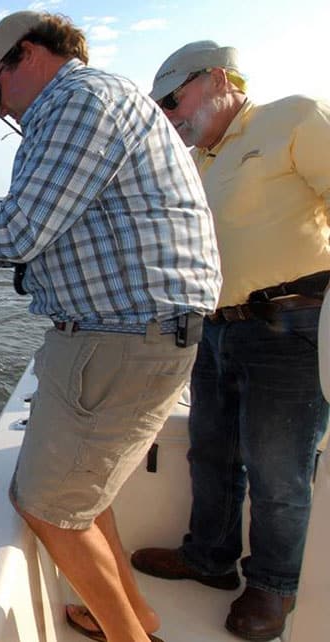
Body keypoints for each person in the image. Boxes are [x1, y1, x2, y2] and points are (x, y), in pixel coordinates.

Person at [0, 11, 221, 642]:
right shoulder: (99, 100)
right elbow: (52, 228)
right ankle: (138, 615)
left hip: (123, 337)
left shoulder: (75, 101)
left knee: (48, 507)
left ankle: (133, 636)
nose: (7, 113)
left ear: (24, 57)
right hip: (130, 334)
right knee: (81, 496)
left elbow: (20, 230)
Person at [131, 41, 330, 640]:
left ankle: (273, 589)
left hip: (291, 327)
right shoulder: (197, 163)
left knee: (278, 470)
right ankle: (209, 558)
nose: (169, 115)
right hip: (215, 330)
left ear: (217, 77)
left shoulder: (294, 117)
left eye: (173, 99)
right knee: (210, 452)